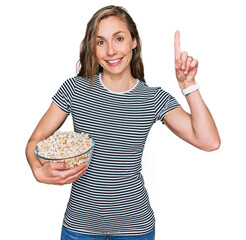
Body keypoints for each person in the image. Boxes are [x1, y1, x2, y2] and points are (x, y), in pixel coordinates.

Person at [25, 5, 220, 240]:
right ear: (93, 48)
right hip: (80, 228)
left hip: (135, 229)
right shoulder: (74, 90)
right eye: (100, 42)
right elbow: (36, 140)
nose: (110, 51)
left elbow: (209, 141)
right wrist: (37, 169)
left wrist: (188, 85)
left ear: (134, 42)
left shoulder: (152, 98)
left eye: (119, 38)